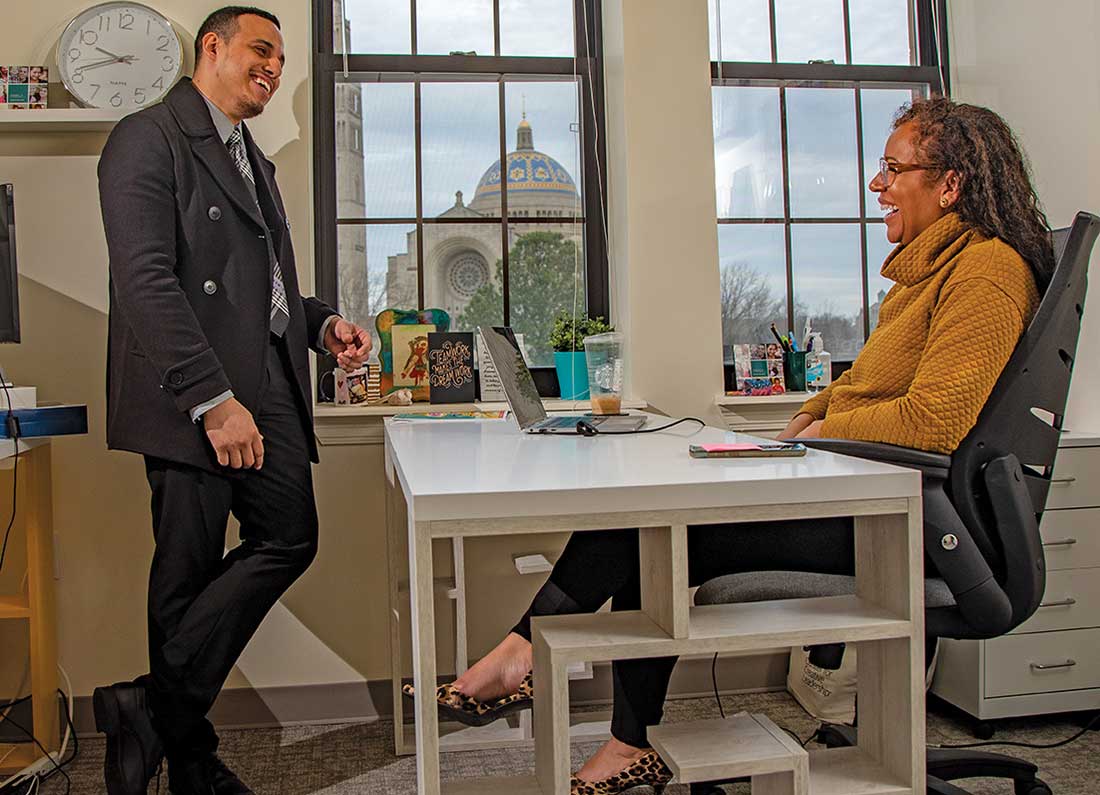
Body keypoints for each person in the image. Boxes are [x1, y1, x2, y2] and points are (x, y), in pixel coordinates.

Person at [404, 97, 1052, 794]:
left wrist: (824, 432)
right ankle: (599, 720)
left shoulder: (987, 270)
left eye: (894, 169)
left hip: (920, 523)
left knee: (649, 522)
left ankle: (529, 661)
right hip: (870, 496)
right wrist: (802, 424)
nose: (877, 184)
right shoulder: (925, 275)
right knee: (646, 520)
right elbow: (858, 389)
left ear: (950, 184)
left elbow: (932, 420)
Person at [94, 7, 371, 795]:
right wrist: (213, 401)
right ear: (210, 48)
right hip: (194, 392)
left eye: (281, 58)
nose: (274, 68)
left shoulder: (253, 157)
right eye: (261, 50)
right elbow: (145, 281)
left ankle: (149, 706)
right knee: (183, 571)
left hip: (269, 384)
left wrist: (321, 326)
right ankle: (191, 762)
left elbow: (266, 289)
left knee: (290, 533)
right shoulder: (147, 137)